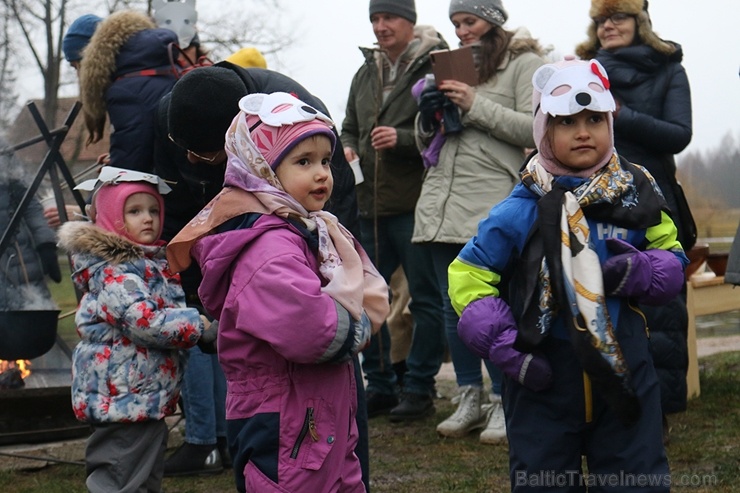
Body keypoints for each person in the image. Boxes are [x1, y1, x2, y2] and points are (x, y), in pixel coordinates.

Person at [448, 57, 688, 491]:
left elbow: (672, 254)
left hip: (626, 369)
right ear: (543, 131)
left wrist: (645, 271)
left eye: (595, 118)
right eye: (566, 121)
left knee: (636, 480)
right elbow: (468, 273)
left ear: (610, 123)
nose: (583, 131)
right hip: (543, 376)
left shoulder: (638, 195)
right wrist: (503, 345)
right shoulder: (520, 207)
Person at [166, 91, 390, 493]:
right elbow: (319, 334)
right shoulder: (266, 250)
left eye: (325, 160)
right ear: (262, 170)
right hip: (288, 419)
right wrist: (358, 326)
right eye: (303, 162)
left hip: (320, 408)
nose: (322, 173)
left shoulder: (308, 230)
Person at [412, 0, 544, 444]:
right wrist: (429, 116)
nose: (462, 30)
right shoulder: (451, 67)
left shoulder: (525, 63)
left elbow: (536, 130)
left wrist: (473, 104)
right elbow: (430, 145)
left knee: (494, 305)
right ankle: (470, 396)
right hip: (440, 201)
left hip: (491, 202)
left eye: (468, 21)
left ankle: (506, 400)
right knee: (453, 304)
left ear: (493, 20)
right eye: (455, 23)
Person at [575, 0, 694, 441]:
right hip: (594, 200)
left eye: (617, 17)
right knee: (601, 301)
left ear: (639, 21)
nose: (607, 26)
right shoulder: (585, 70)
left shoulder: (668, 69)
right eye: (600, 19)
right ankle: (605, 405)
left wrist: (621, 112)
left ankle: (657, 413)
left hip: (653, 196)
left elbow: (679, 135)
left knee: (660, 308)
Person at [56, 166, 206, 493]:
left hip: (141, 395)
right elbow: (145, 321)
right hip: (123, 399)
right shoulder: (115, 272)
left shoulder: (145, 264)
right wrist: (197, 325)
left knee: (143, 475)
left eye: (154, 210)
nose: (148, 218)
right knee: (121, 476)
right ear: (110, 216)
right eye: (134, 211)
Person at [341, 0, 447, 422]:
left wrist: (402, 139)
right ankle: (380, 385)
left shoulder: (436, 66)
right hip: (371, 208)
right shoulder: (364, 71)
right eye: (375, 19)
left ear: (410, 22)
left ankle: (419, 387)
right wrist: (348, 143)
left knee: (425, 301)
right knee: (369, 298)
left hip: (417, 206)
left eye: (389, 18)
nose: (381, 26)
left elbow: (445, 128)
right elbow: (350, 123)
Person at [79, 10, 180, 172]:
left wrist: (113, 168)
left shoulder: (125, 91)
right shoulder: (171, 68)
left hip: (172, 190)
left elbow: (130, 166)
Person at [0, 138, 61, 309]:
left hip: (23, 263)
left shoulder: (2, 148)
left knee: (37, 326)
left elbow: (29, 201)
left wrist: (46, 243)